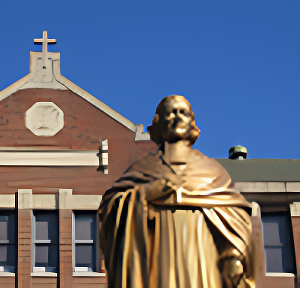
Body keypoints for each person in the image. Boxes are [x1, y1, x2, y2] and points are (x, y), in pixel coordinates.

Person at [98, 95, 255, 288]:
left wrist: (234, 257)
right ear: (158, 122)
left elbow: (236, 217)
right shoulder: (142, 169)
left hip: (201, 260)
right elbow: (109, 211)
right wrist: (144, 194)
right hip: (157, 261)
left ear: (192, 122)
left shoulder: (212, 171)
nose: (177, 117)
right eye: (171, 112)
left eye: (183, 112)